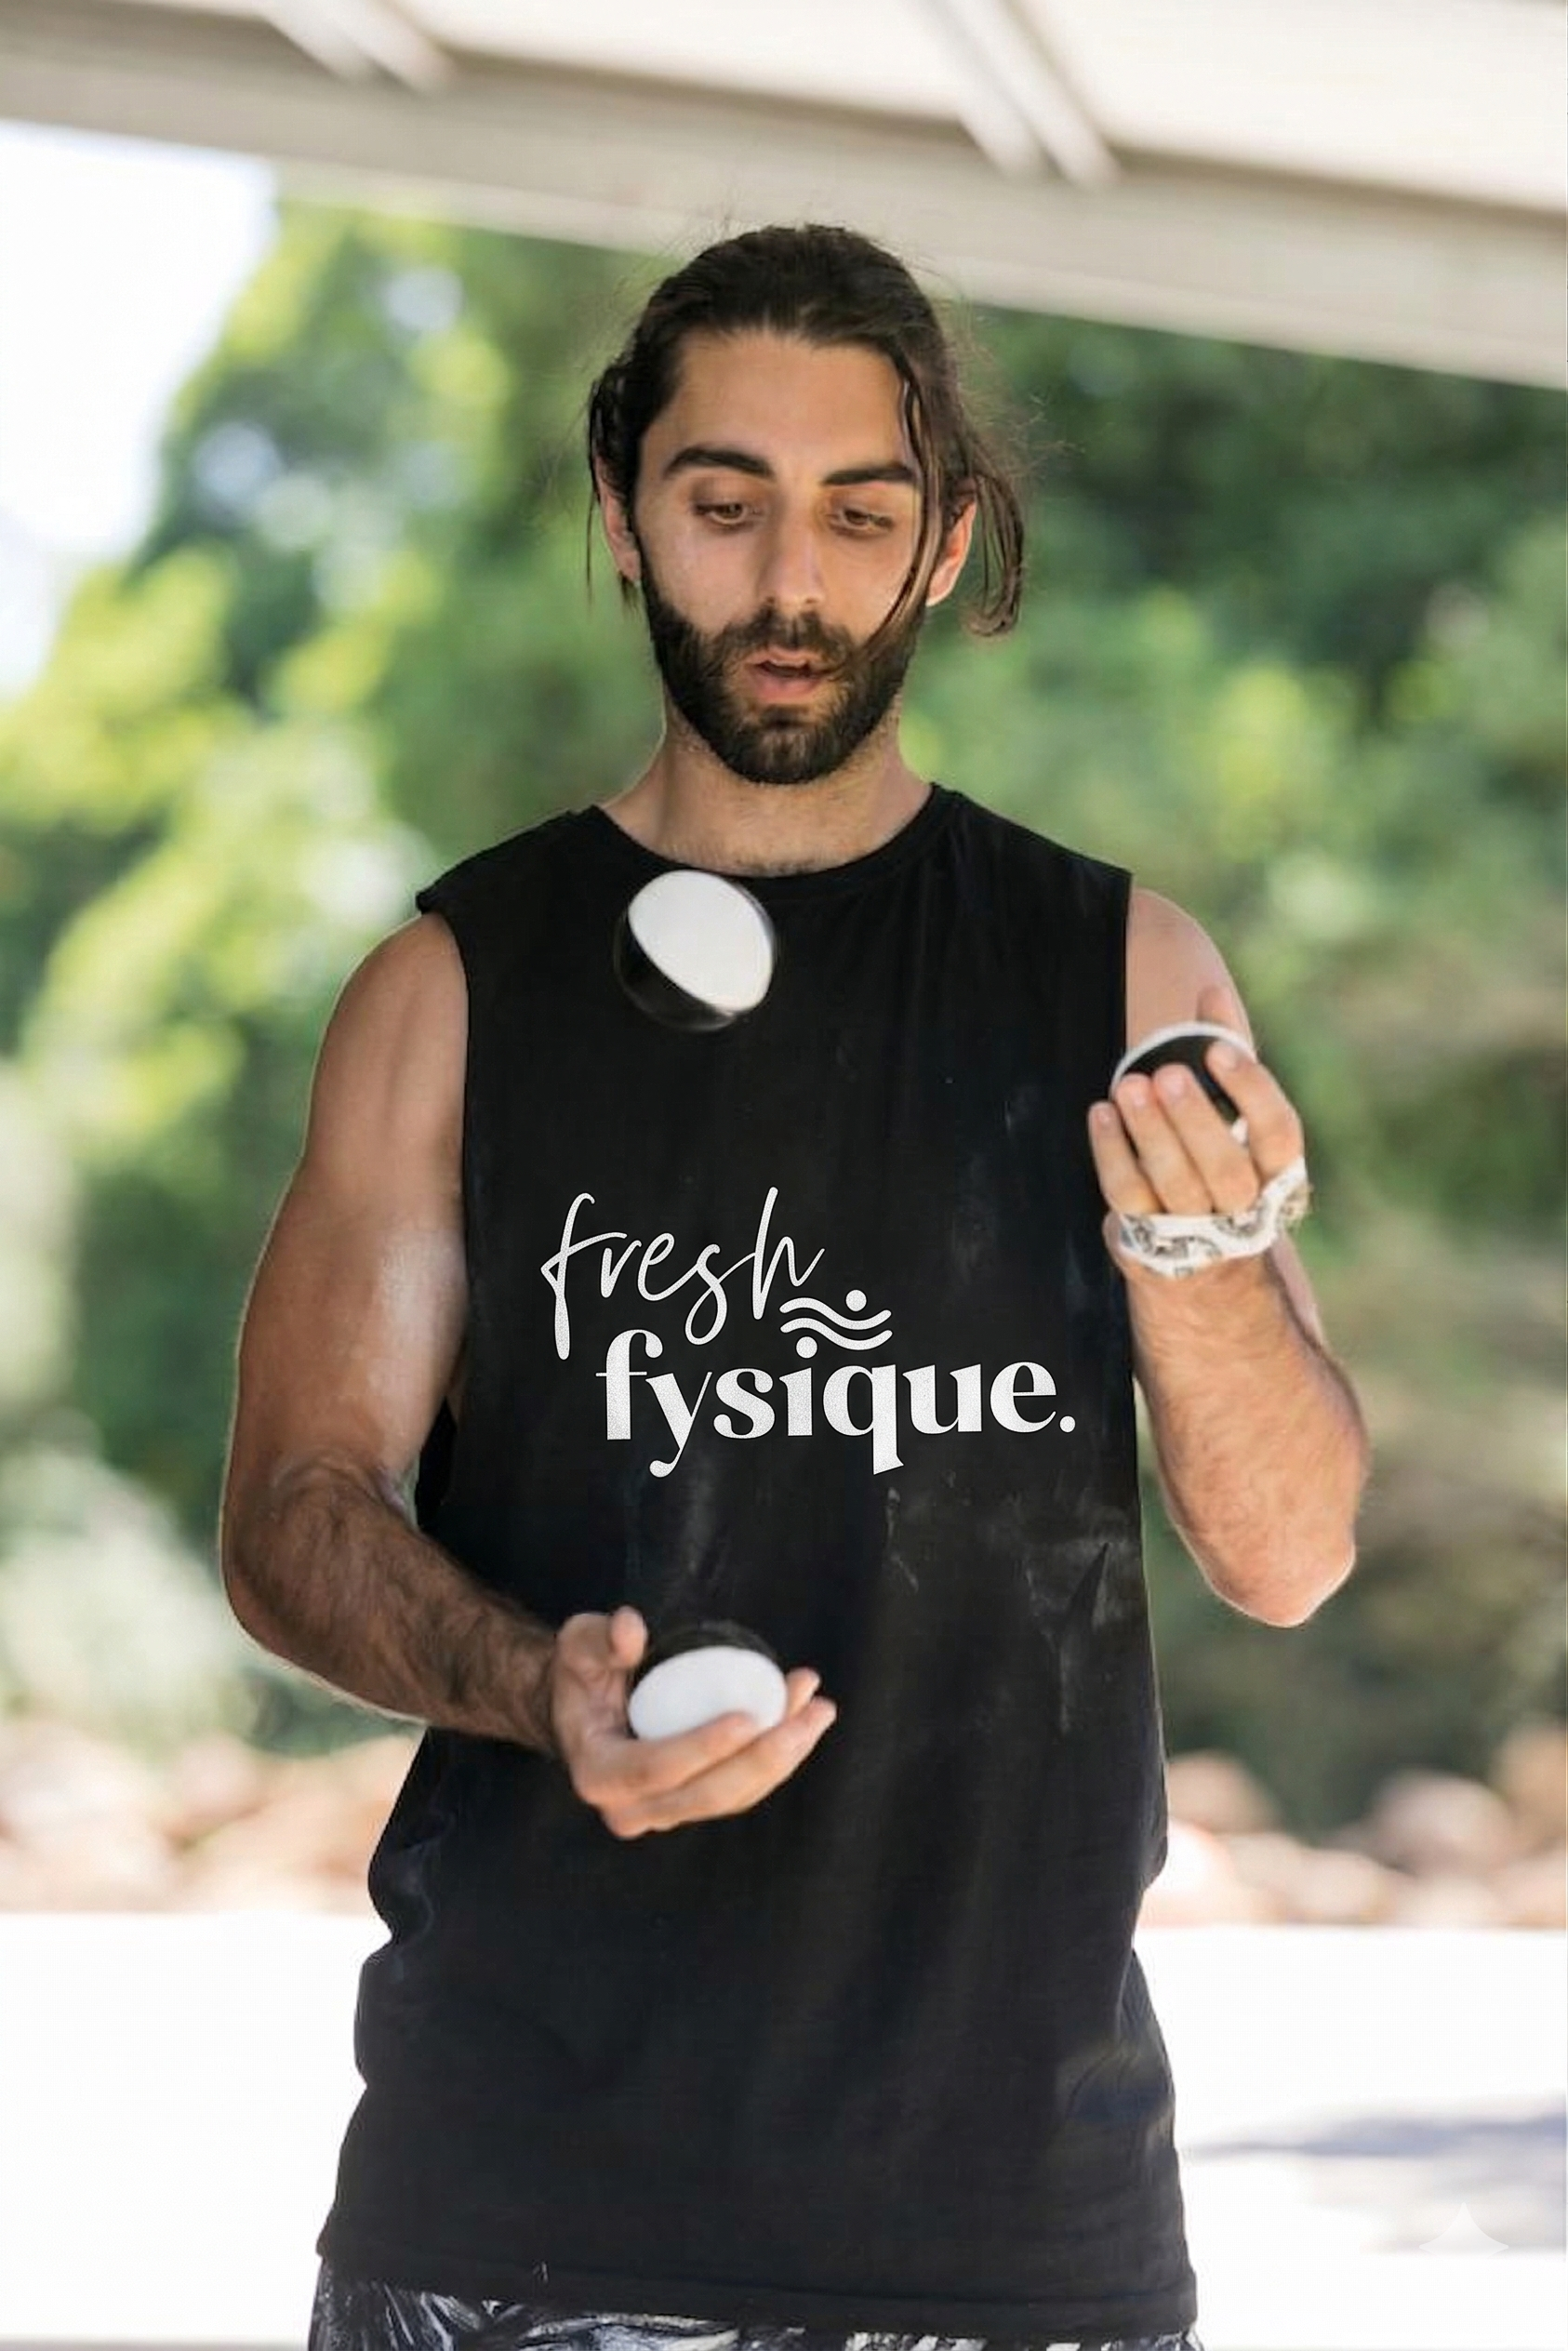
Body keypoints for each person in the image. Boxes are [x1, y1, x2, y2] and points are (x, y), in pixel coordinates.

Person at [220, 224, 1368, 2351]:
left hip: (1018, 2217)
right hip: (520, 2204)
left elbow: (1288, 1554)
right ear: (622, 514)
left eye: (858, 512)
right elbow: (294, 1514)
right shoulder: (455, 991)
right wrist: (541, 1685)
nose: (788, 584)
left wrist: (1196, 1256)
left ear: (945, 544)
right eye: (724, 501)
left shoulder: (1117, 974)